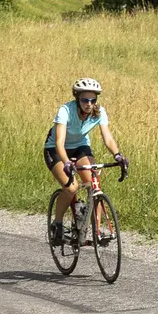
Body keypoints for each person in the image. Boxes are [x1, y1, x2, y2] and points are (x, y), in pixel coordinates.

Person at [45, 77, 125, 243]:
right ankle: (57, 224)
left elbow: (107, 138)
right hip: (56, 149)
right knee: (72, 187)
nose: (89, 104)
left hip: (80, 146)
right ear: (77, 98)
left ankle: (94, 229)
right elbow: (59, 141)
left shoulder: (99, 112)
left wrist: (118, 155)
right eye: (84, 100)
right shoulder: (65, 110)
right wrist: (66, 162)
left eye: (92, 100)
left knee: (93, 184)